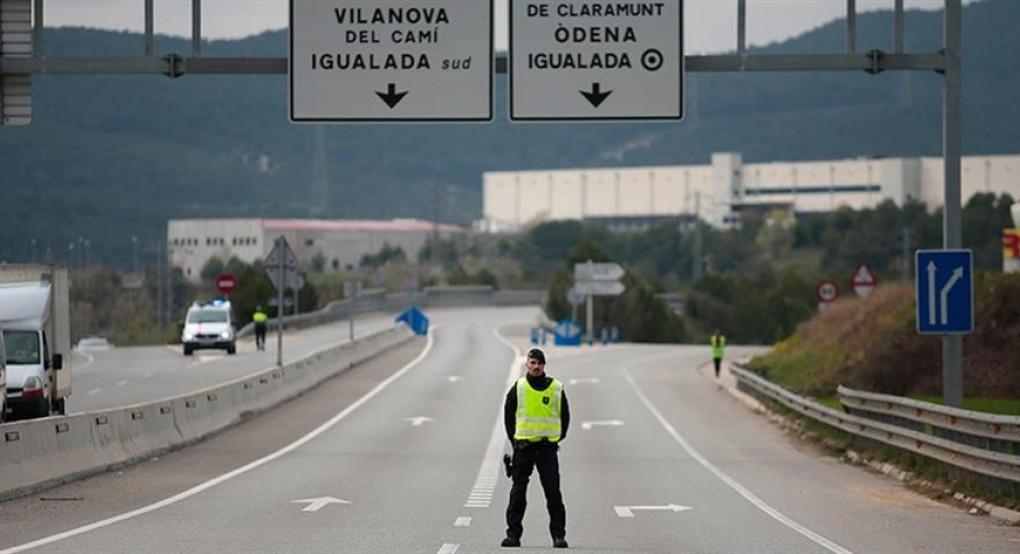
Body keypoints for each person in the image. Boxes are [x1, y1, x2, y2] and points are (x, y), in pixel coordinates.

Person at [502, 348, 570, 549]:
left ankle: (558, 535)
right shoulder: (519, 388)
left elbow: (565, 417)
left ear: (544, 365)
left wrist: (556, 438)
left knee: (553, 493)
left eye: (539, 363)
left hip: (547, 449)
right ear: (527, 365)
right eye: (532, 362)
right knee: (518, 493)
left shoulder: (556, 388)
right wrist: (514, 441)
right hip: (524, 448)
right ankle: (513, 535)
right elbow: (508, 415)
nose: (536, 366)